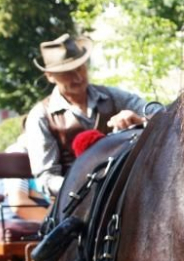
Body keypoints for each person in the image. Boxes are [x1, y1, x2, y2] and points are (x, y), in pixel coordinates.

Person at [25, 34, 148, 196]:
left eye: (80, 67)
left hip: (121, 196)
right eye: (67, 72)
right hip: (72, 204)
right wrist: (82, 186)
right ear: (50, 76)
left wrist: (141, 121)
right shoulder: (40, 117)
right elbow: (46, 178)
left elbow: (159, 114)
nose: (78, 77)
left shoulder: (114, 97)